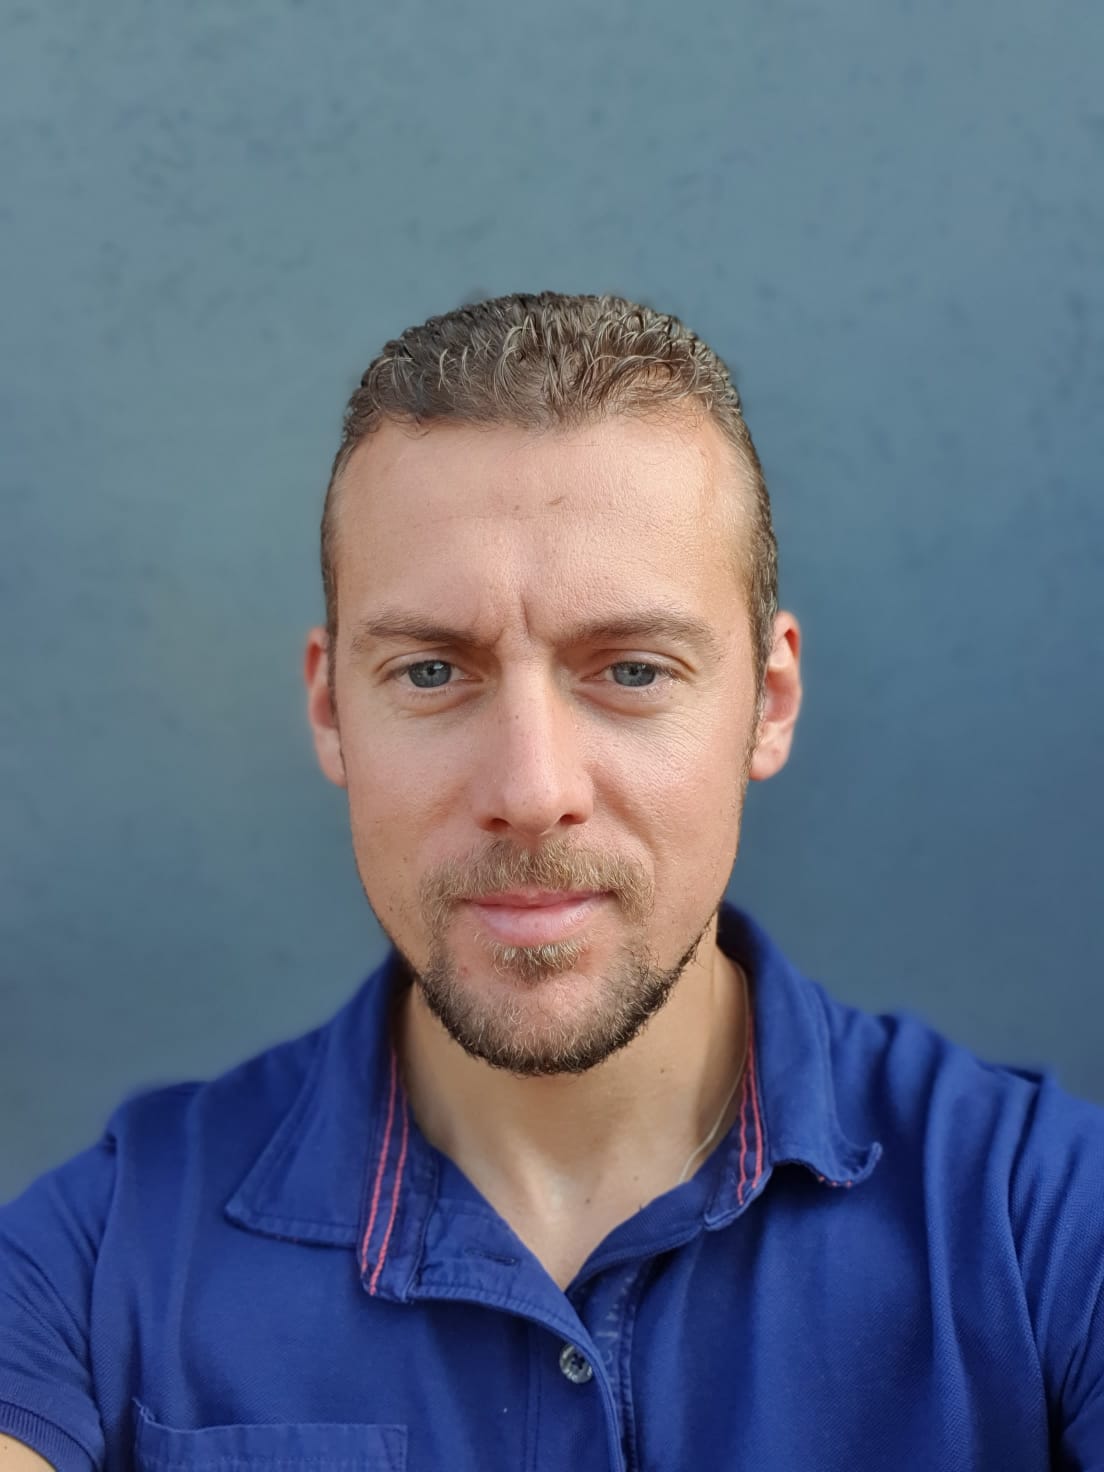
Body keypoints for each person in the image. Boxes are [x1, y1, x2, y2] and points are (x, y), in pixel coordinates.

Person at [1, 293, 1102, 1472]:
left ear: (769, 702)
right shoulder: (91, 1266)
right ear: (330, 709)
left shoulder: (1047, 1222)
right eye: (433, 671)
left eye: (632, 668)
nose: (530, 788)